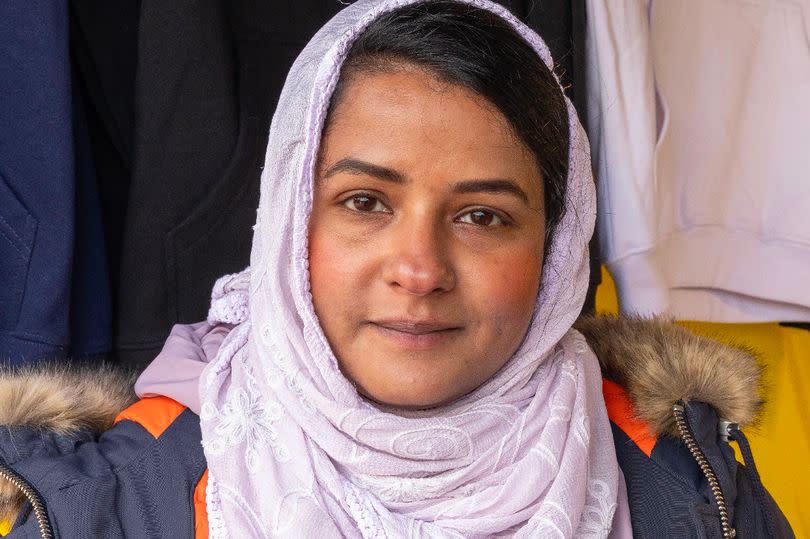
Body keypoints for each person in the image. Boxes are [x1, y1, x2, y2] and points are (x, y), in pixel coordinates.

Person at [0, 0, 791, 537]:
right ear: (287, 219)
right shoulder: (107, 508)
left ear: (554, 251)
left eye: (482, 216)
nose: (419, 268)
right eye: (366, 201)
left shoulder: (689, 489)